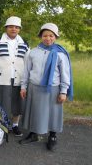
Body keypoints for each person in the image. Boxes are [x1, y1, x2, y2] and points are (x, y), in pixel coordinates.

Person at [19, 23, 73, 151]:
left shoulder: (60, 54)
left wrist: (63, 91)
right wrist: (23, 86)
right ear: (40, 36)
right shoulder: (33, 52)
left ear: (55, 37)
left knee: (53, 113)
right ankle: (34, 134)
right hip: (34, 87)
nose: (48, 38)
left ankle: (52, 136)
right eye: (45, 35)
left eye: (51, 35)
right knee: (35, 111)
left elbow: (65, 74)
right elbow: (26, 71)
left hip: (53, 88)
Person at [0, 16, 30, 137]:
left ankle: (15, 125)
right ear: (6, 28)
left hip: (19, 78)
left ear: (19, 29)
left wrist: (25, 83)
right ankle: (3, 125)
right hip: (1, 79)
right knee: (3, 104)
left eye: (16, 27)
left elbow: (27, 64)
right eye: (11, 27)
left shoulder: (24, 43)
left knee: (17, 104)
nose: (14, 29)